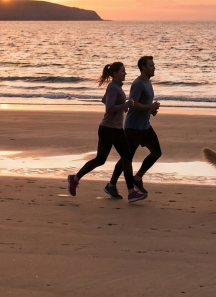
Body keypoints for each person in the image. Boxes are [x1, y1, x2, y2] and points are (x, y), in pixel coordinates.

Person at [67, 62, 148, 203]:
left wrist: (121, 107)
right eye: (123, 71)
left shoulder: (116, 87)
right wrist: (126, 105)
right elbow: (109, 108)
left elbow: (105, 100)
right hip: (108, 129)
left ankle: (131, 193)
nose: (125, 73)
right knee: (101, 159)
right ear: (115, 74)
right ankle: (74, 178)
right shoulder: (113, 87)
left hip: (116, 129)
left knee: (126, 158)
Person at [108, 56, 161, 195]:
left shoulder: (148, 83)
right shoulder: (138, 84)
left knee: (156, 152)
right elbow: (133, 104)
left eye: (153, 65)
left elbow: (142, 104)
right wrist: (150, 106)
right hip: (133, 128)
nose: (154, 67)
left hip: (145, 127)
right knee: (127, 158)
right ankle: (111, 184)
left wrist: (151, 110)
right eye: (151, 65)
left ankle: (137, 178)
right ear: (143, 68)